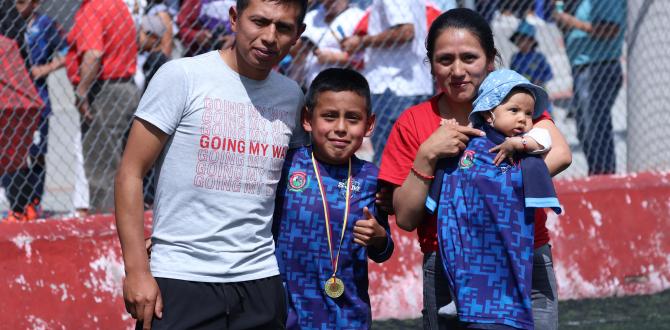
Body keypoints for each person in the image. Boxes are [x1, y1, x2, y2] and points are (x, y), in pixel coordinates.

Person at [115, 0, 308, 328]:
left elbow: (295, 185)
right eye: (259, 21)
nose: (269, 36)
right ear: (234, 19)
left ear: (298, 35)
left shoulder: (292, 96)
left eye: (284, 27)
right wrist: (136, 271)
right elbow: (130, 174)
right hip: (180, 278)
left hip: (260, 282)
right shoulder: (182, 76)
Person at [378, 8, 572, 330]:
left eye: (469, 57)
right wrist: (428, 154)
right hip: (448, 264)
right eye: (444, 60)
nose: (457, 71)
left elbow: (561, 154)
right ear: (430, 65)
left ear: (491, 59)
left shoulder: (517, 106)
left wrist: (483, 183)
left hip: (524, 255)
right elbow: (407, 217)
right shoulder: (413, 122)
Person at [428, 69, 562, 329]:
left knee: (507, 262)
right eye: (514, 111)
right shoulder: (470, 139)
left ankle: (505, 306)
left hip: (506, 227)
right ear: (489, 114)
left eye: (528, 113)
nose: (523, 119)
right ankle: (462, 297)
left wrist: (519, 144)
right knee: (463, 254)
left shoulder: (524, 145)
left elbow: (545, 139)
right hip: (467, 223)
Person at [273, 68, 394, 329]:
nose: (340, 128)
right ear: (307, 119)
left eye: (352, 118)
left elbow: (384, 251)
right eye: (329, 116)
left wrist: (379, 238)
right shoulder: (285, 166)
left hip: (348, 316)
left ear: (369, 124)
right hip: (289, 313)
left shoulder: (373, 179)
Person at [65, 0, 140, 213]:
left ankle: (107, 225)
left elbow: (94, 53)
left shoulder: (92, 8)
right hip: (125, 87)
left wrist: (81, 92)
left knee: (101, 170)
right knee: (123, 167)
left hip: (104, 92)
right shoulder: (116, 5)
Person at [340, 0, 433, 165]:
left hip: (392, 85)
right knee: (410, 157)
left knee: (389, 159)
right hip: (409, 84)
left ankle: (386, 191)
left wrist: (361, 42)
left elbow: (406, 32)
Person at [0, 0, 67, 221]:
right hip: (11, 97)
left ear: (35, 3)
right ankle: (17, 204)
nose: (18, 7)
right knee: (12, 153)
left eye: (22, 2)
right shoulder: (6, 20)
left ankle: (33, 203)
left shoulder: (45, 24)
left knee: (36, 153)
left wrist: (45, 68)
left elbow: (68, 50)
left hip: (37, 96)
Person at [554, 0, 625, 175]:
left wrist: (571, 21)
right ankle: (598, 171)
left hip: (599, 67)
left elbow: (611, 30)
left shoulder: (600, 2)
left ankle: (604, 173)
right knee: (585, 128)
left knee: (595, 127)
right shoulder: (577, 5)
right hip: (582, 69)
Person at [294, 0, 365, 87]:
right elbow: (295, 52)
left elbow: (366, 57)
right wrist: (297, 49)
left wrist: (334, 57)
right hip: (309, 86)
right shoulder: (312, 17)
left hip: (344, 87)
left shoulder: (359, 17)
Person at [510, 20, 553, 88]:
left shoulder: (539, 57)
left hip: (538, 89)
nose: (520, 41)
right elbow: (512, 75)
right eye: (518, 38)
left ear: (532, 41)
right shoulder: (515, 57)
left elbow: (549, 74)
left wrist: (540, 80)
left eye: (523, 39)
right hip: (521, 90)